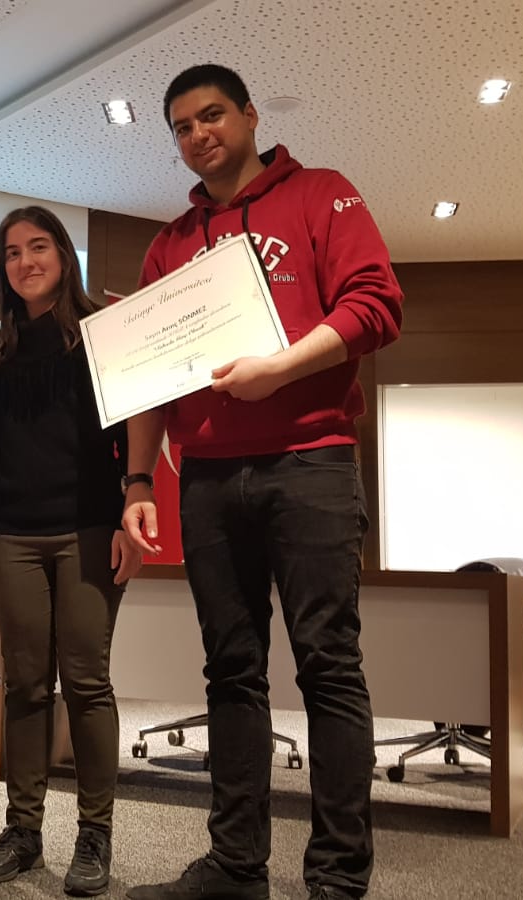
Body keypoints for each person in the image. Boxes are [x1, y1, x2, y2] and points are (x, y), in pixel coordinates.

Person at [122, 65, 404, 900]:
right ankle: (237, 867)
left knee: (329, 667)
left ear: (249, 116)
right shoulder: (171, 244)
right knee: (231, 671)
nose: (198, 134)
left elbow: (377, 305)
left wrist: (281, 368)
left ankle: (337, 879)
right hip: (208, 475)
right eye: (181, 127)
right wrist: (137, 481)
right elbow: (148, 377)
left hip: (311, 461)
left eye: (211, 115)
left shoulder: (321, 194)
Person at [0, 206, 144, 898]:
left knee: (87, 682)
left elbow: (137, 429)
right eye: (11, 253)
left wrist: (131, 513)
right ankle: (23, 830)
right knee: (25, 685)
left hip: (88, 530)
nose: (25, 262)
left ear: (64, 255)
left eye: (38, 246)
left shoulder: (102, 333)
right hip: (12, 535)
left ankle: (94, 833)